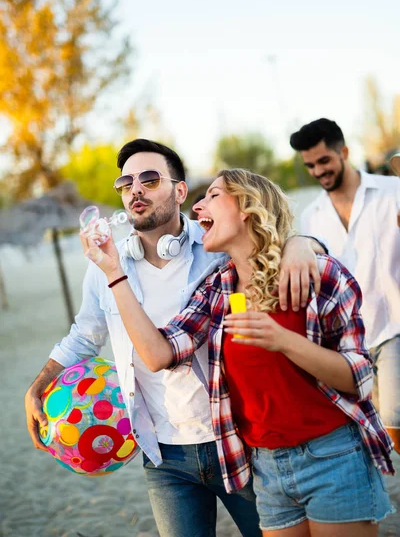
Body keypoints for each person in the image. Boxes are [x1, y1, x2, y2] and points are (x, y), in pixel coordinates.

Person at [25, 139, 324, 537]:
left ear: (180, 191)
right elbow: (85, 333)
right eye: (126, 182)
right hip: (162, 455)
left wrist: (303, 244)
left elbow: (273, 239)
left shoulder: (217, 247)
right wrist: (38, 385)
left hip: (237, 438)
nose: (136, 189)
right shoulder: (104, 266)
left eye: (149, 179)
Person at [82, 168, 395, 536]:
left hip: (333, 457)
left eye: (212, 195)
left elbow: (359, 378)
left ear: (247, 206)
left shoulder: (321, 274)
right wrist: (114, 272)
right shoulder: (218, 289)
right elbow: (158, 354)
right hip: (266, 470)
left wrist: (284, 341)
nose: (197, 206)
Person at [290, 118, 400, 454]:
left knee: (395, 426)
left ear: (345, 152)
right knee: (375, 436)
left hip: (394, 329)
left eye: (324, 161)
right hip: (351, 343)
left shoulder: (391, 191)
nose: (318, 171)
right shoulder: (311, 217)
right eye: (310, 165)